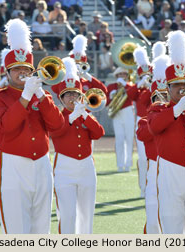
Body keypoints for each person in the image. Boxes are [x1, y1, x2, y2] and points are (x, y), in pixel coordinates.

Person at [0, 19, 65, 234]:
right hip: (13, 163)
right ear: (7, 72)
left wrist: (40, 95)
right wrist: (25, 96)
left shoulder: (42, 95)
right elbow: (6, 127)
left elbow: (57, 125)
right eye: (16, 69)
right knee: (16, 226)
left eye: (26, 69)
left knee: (41, 225)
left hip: (41, 162)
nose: (22, 73)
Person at [147, 30, 185, 234]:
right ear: (168, 88)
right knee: (172, 226)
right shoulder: (159, 108)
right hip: (171, 173)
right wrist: (178, 108)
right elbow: (154, 127)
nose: (181, 89)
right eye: (176, 85)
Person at [50, 58, 105, 234]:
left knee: (86, 213)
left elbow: (99, 133)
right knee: (67, 214)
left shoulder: (85, 114)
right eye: (68, 95)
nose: (72, 98)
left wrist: (85, 116)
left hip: (86, 166)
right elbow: (55, 132)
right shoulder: (57, 115)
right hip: (65, 167)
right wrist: (72, 117)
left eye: (76, 94)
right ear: (62, 98)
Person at [137, 54, 170, 234]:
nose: (164, 99)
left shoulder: (180, 116)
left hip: (177, 169)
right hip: (155, 169)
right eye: (160, 95)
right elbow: (143, 134)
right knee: (153, 215)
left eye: (167, 95)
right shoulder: (145, 119)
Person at [129, 46, 153, 198]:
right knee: (143, 157)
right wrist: (140, 85)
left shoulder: (155, 87)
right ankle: (144, 188)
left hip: (156, 119)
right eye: (143, 75)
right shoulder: (137, 89)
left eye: (148, 74)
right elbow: (132, 96)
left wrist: (151, 85)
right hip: (142, 121)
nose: (147, 77)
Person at [106, 67, 136, 172]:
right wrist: (111, 96)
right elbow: (106, 102)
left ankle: (128, 164)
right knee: (119, 140)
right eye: (120, 74)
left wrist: (125, 84)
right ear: (116, 76)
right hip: (117, 113)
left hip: (128, 111)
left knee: (129, 139)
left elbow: (133, 95)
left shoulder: (130, 86)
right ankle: (120, 164)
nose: (122, 76)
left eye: (124, 74)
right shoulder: (111, 87)